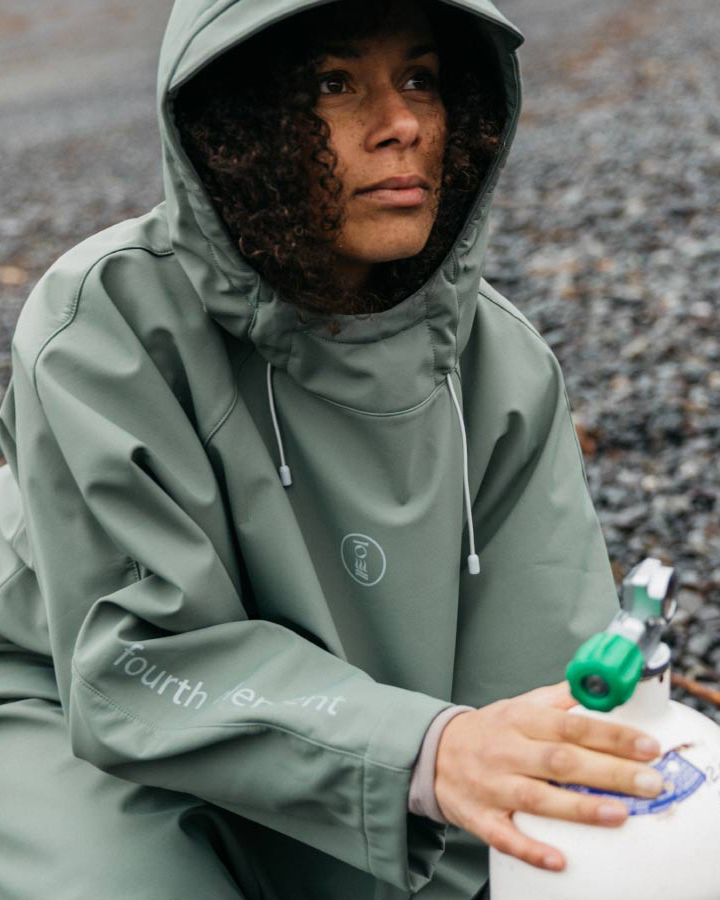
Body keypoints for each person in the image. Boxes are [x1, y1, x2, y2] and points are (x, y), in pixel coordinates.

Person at [0, 0, 665, 897]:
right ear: (235, 120)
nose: (401, 127)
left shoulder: (504, 367)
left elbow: (534, 716)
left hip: (374, 760)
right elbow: (134, 665)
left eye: (422, 80)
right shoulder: (104, 325)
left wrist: (488, 781)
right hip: (86, 722)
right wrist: (428, 753)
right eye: (334, 84)